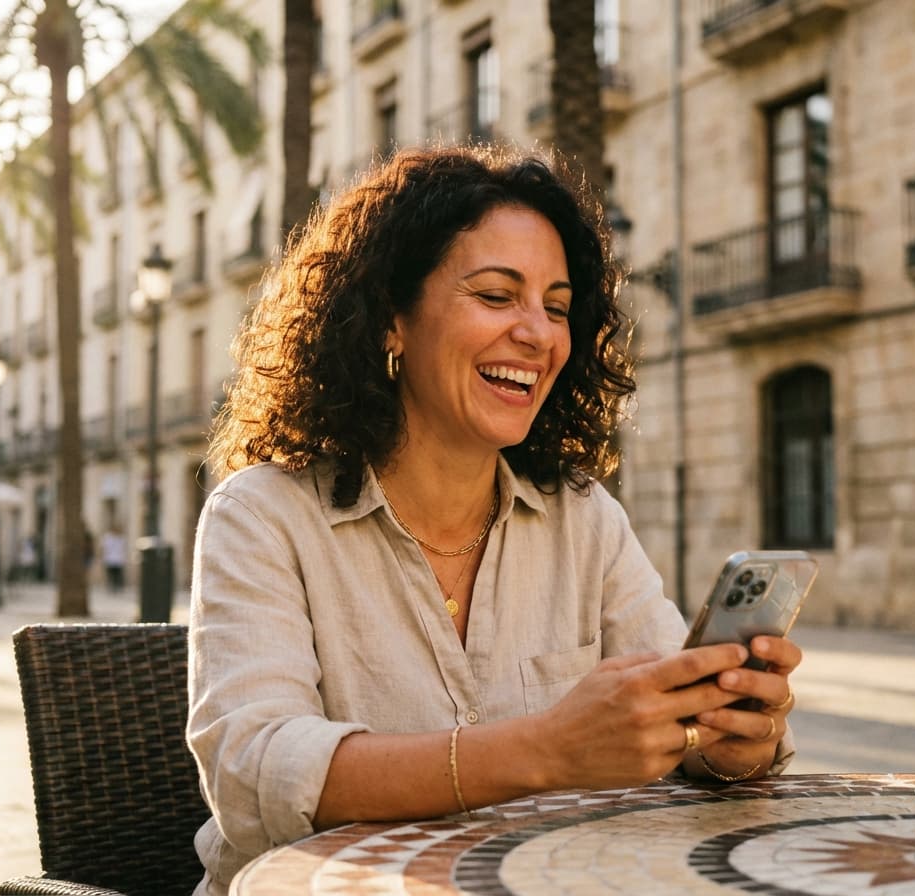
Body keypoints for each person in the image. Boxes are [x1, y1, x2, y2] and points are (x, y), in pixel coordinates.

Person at [187, 146, 803, 896]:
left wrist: (729, 740)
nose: (538, 334)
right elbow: (253, 774)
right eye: (496, 295)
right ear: (390, 319)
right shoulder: (262, 515)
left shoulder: (583, 517)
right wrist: (546, 750)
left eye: (556, 307)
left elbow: (677, 726)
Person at [101, 526, 126, 592]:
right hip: (110, 559)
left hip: (118, 560)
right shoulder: (108, 537)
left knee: (116, 575)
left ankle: (116, 587)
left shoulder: (121, 538)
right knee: (111, 575)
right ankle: (112, 587)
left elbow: (122, 548)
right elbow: (104, 548)